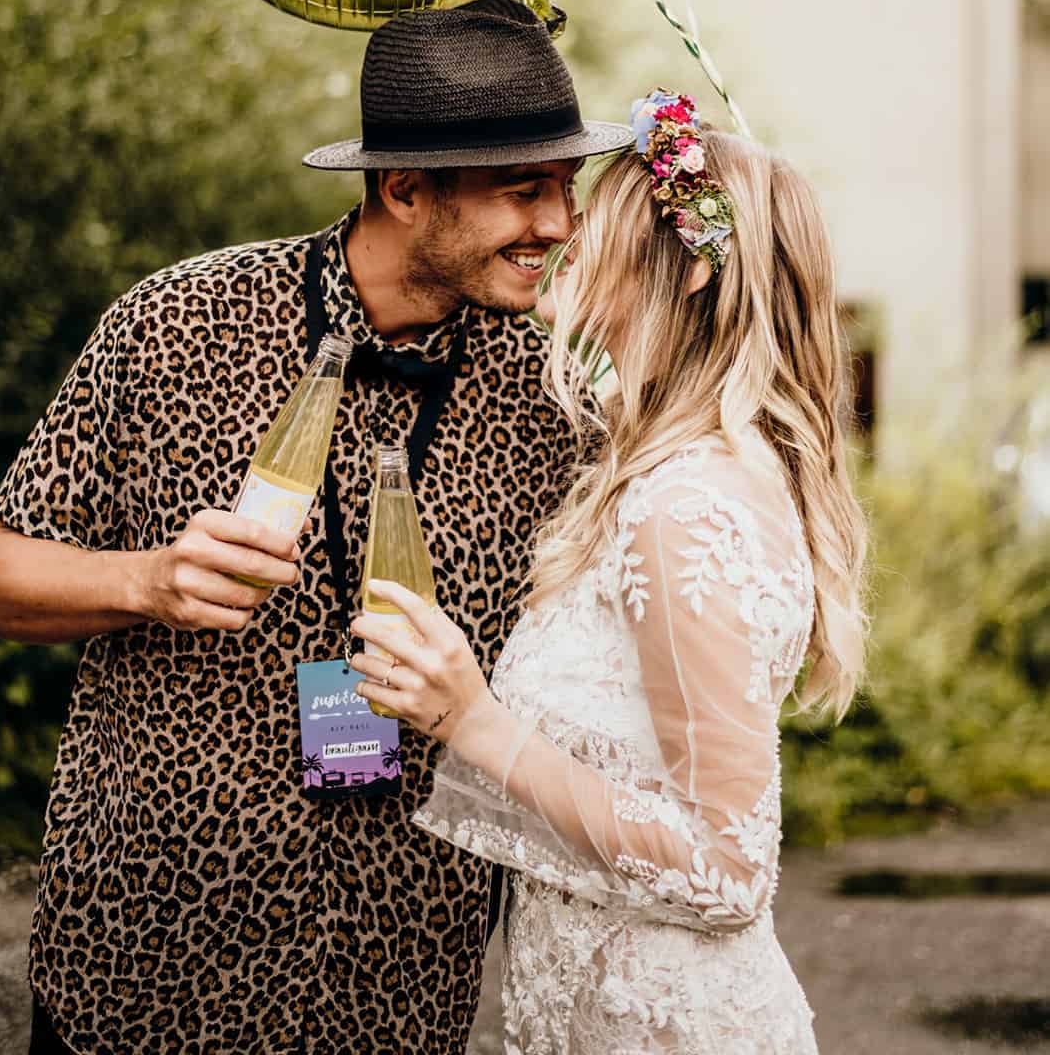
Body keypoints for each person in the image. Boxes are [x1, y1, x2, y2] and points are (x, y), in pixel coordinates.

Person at [0, 0, 633, 1055]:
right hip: (144, 964)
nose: (558, 225)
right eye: (524, 190)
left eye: (566, 187)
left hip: (399, 986)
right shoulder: (176, 323)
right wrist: (145, 582)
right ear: (405, 189)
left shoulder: (556, 396)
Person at [350, 88, 869, 1055]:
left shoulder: (689, 505)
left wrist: (472, 720)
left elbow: (727, 872)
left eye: (605, 220)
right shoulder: (662, 475)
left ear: (690, 271)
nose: (570, 234)